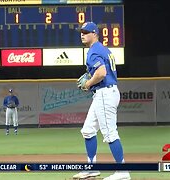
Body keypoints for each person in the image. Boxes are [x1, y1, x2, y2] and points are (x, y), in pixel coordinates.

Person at [74, 22, 131, 180]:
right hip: (106, 93)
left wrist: (88, 83)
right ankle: (92, 168)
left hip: (105, 93)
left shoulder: (94, 51)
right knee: (88, 130)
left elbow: (101, 73)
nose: (82, 34)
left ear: (94, 33)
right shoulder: (103, 49)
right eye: (81, 32)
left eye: (86, 32)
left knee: (110, 134)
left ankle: (122, 171)